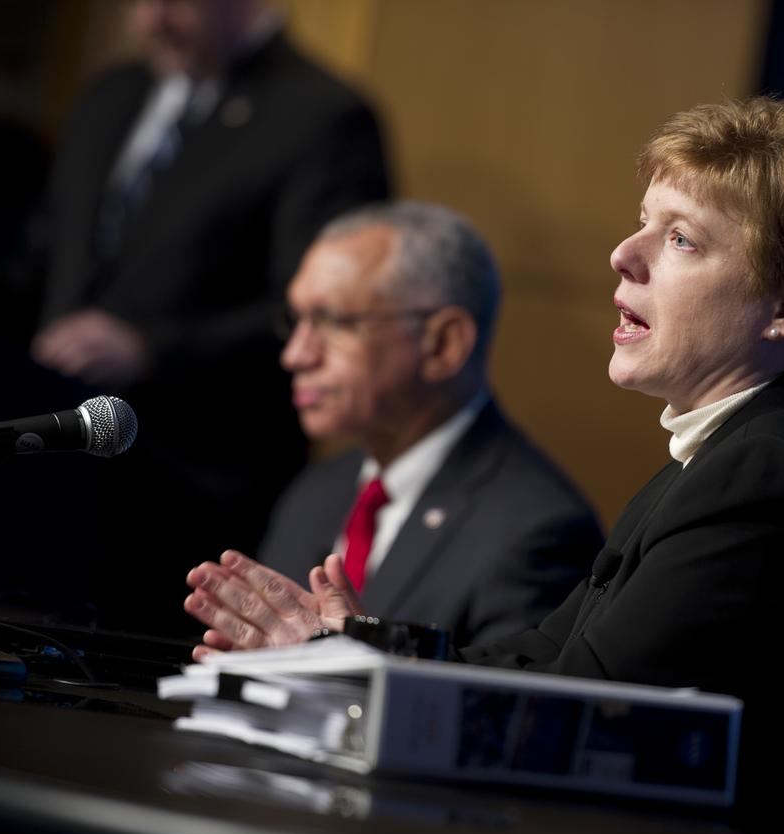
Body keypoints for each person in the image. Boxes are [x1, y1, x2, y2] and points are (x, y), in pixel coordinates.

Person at [182, 97, 784, 834]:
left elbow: (576, 714)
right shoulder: (718, 464)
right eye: (643, 221)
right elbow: (541, 656)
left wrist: (335, 660)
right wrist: (354, 643)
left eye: (681, 239)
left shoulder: (775, 475)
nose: (624, 254)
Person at [30, 0, 389, 632]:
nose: (149, 21)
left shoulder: (322, 115)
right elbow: (42, 255)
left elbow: (322, 312)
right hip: (55, 476)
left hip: (195, 489)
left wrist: (150, 349)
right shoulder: (112, 94)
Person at [245, 201, 600, 645]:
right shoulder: (315, 492)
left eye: (332, 322)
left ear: (443, 344)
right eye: (296, 321)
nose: (295, 354)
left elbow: (493, 693)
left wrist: (343, 657)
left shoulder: (538, 532)